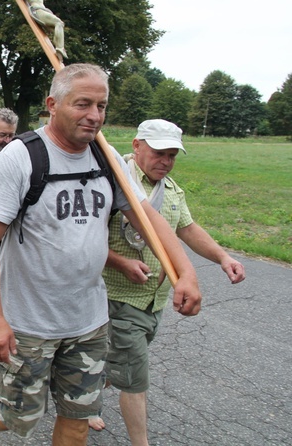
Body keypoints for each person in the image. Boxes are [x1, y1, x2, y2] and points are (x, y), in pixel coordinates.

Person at [0, 63, 202, 446]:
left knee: (77, 420)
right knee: (16, 415)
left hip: (89, 322)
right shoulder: (21, 157)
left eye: (102, 106)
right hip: (28, 323)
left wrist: (186, 271)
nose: (94, 116)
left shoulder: (107, 159)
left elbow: (149, 219)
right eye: (83, 104)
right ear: (52, 104)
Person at [86, 119, 246, 444]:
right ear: (136, 146)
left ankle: (84, 398)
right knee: (135, 379)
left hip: (154, 303)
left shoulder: (171, 191)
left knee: (115, 362)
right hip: (118, 299)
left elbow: (187, 229)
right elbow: (84, 239)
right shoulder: (114, 182)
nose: (166, 162)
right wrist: (120, 262)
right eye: (159, 153)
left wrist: (223, 258)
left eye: (172, 155)